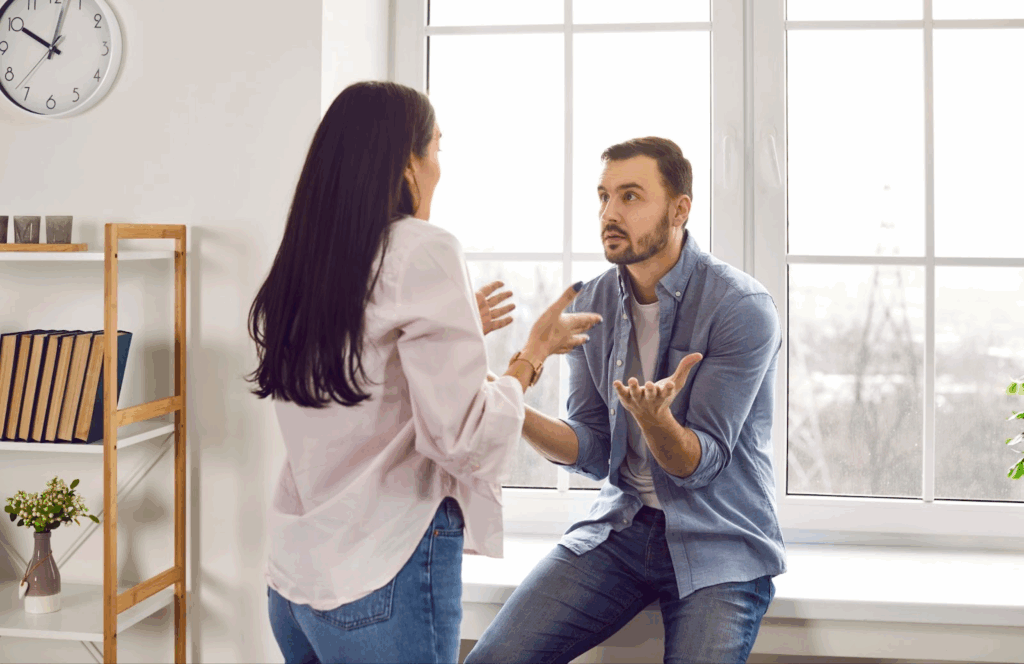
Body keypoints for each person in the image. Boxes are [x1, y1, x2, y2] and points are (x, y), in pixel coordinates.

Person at [246, 80, 602, 664]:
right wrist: (529, 357)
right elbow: (462, 438)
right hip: (381, 567)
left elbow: (357, 378)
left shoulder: (307, 257)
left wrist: (458, 337)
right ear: (406, 163)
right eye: (436, 150)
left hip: (296, 582)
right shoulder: (422, 248)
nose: (440, 169)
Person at [466, 137, 786, 664]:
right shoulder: (591, 301)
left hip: (720, 541)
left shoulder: (740, 306)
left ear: (680, 208)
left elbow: (697, 466)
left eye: (631, 196)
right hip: (620, 528)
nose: (609, 213)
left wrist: (656, 422)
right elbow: (591, 450)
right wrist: (505, 401)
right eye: (603, 196)